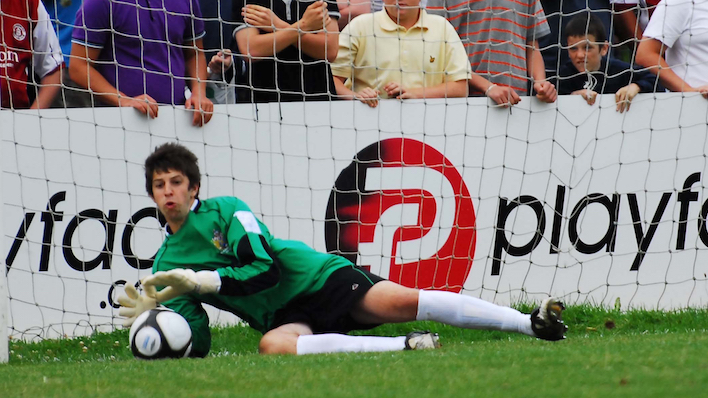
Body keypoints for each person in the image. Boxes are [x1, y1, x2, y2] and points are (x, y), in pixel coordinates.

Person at [117, 142, 568, 357]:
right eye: (160, 185)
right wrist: (159, 321)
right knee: (272, 348)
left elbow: (266, 270)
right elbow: (197, 343)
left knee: (406, 301)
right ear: (153, 195)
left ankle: (532, 325)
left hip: (319, 279)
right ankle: (406, 348)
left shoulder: (227, 212)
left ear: (194, 187)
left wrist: (203, 280)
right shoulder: (165, 265)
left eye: (177, 182)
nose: (169, 191)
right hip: (283, 318)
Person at [69, 0, 213, 125]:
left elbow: (194, 53)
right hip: (119, 121)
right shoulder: (101, 3)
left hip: (178, 119)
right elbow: (78, 67)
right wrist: (124, 100)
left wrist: (198, 92)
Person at [330, 0, 472, 108]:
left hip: (430, 125)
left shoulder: (442, 27)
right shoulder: (360, 26)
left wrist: (415, 93)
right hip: (368, 126)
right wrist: (357, 97)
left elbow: (460, 88)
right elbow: (331, 80)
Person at [426, 0, 557, 107]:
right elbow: (439, 52)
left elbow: (532, 46)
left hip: (516, 99)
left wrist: (541, 82)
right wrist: (488, 87)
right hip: (463, 101)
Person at [231, 0, 339, 103]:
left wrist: (277, 25)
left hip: (318, 98)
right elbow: (251, 50)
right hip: (264, 99)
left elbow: (329, 50)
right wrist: (304, 26)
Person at [557, 13, 656, 112]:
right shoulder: (562, 76)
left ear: (604, 48)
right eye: (573, 48)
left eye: (587, 47)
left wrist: (635, 87)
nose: (579, 55)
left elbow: (654, 80)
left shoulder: (619, 71)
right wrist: (572, 97)